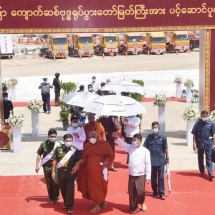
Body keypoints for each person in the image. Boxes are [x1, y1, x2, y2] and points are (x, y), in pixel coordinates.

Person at [73, 131, 114, 213]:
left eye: (93, 136)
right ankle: (96, 205)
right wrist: (78, 163)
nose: (92, 138)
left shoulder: (104, 144)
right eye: (90, 137)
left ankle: (102, 200)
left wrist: (106, 161)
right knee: (93, 187)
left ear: (98, 136)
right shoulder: (87, 145)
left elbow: (110, 155)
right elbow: (84, 158)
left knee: (102, 186)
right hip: (90, 172)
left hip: (101, 170)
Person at [114, 132, 151, 214]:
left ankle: (142, 202)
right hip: (132, 174)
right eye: (133, 140)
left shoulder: (145, 151)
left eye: (135, 140)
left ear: (140, 141)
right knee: (132, 192)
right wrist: (117, 138)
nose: (133, 142)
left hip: (141, 174)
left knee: (140, 191)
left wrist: (148, 177)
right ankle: (134, 208)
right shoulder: (130, 147)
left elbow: (148, 164)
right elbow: (123, 145)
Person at [52, 134, 78, 214]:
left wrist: (76, 167)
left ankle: (70, 207)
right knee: (63, 188)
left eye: (70, 141)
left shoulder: (74, 149)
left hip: (70, 172)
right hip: (61, 171)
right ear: (63, 141)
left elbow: (77, 161)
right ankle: (66, 203)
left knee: (70, 190)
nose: (68, 142)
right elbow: (55, 160)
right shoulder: (58, 149)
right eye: (67, 141)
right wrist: (53, 171)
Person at [144, 121, 169, 200]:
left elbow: (166, 149)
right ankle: (155, 191)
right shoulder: (149, 137)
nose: (154, 129)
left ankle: (162, 193)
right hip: (151, 160)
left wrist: (167, 158)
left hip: (161, 160)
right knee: (153, 177)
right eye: (153, 128)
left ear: (159, 128)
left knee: (161, 177)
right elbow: (145, 148)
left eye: (156, 127)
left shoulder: (163, 137)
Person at [35, 129, 60, 204]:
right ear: (48, 136)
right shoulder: (43, 144)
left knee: (55, 182)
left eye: (54, 136)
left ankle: (57, 197)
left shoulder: (58, 144)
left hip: (55, 165)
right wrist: (37, 165)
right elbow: (39, 154)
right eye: (51, 136)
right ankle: (51, 198)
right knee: (49, 182)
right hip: (46, 165)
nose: (53, 137)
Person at [192, 110, 215, 181]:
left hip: (208, 143)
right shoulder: (197, 124)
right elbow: (194, 134)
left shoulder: (211, 124)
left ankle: (210, 173)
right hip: (200, 143)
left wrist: (214, 143)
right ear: (201, 116)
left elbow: (213, 134)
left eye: (205, 116)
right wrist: (194, 144)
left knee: (209, 158)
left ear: (207, 116)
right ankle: (202, 171)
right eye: (202, 116)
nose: (204, 118)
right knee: (200, 158)